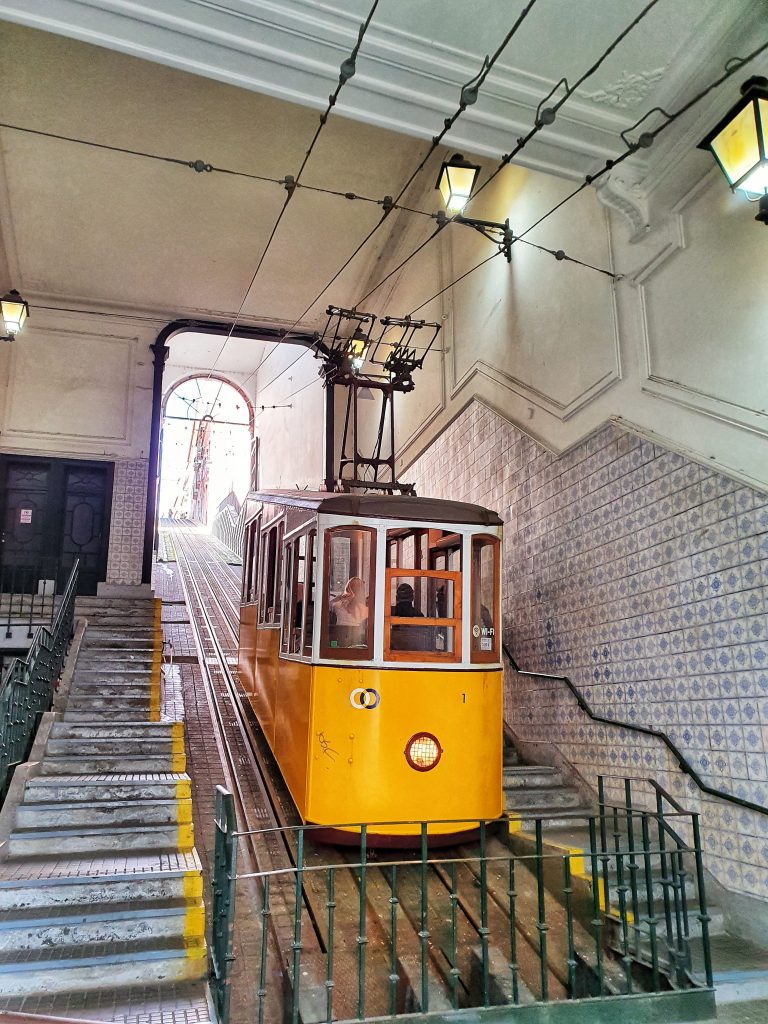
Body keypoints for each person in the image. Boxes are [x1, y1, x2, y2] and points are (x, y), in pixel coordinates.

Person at [329, 577, 368, 647]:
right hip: (357, 641)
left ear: (347, 587)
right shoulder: (366, 610)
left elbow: (327, 606)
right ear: (362, 590)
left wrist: (339, 597)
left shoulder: (338, 605)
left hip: (338, 640)